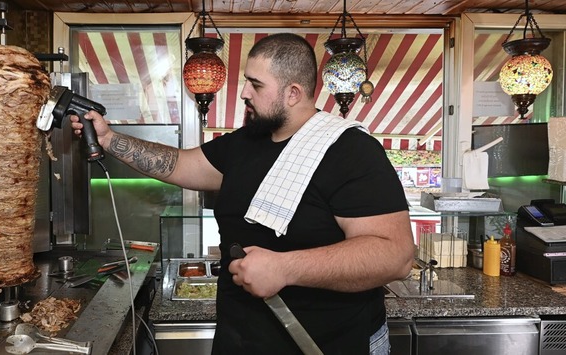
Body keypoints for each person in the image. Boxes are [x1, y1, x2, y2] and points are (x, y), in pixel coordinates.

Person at [71, 32, 414, 355]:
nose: (244, 93)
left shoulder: (352, 152)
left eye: (256, 84)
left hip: (327, 342)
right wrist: (109, 139)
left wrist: (286, 268)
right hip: (242, 338)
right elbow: (178, 165)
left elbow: (395, 256)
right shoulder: (247, 142)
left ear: (293, 93)